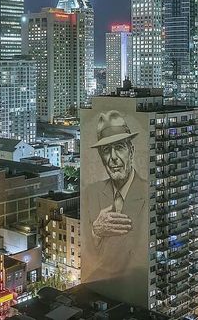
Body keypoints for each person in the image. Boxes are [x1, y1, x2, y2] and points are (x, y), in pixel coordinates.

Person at [83, 110, 148, 302]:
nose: (113, 157)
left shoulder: (148, 191)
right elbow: (87, 250)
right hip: (103, 294)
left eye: (119, 147)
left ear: (131, 151)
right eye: (106, 150)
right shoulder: (91, 193)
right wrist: (96, 232)